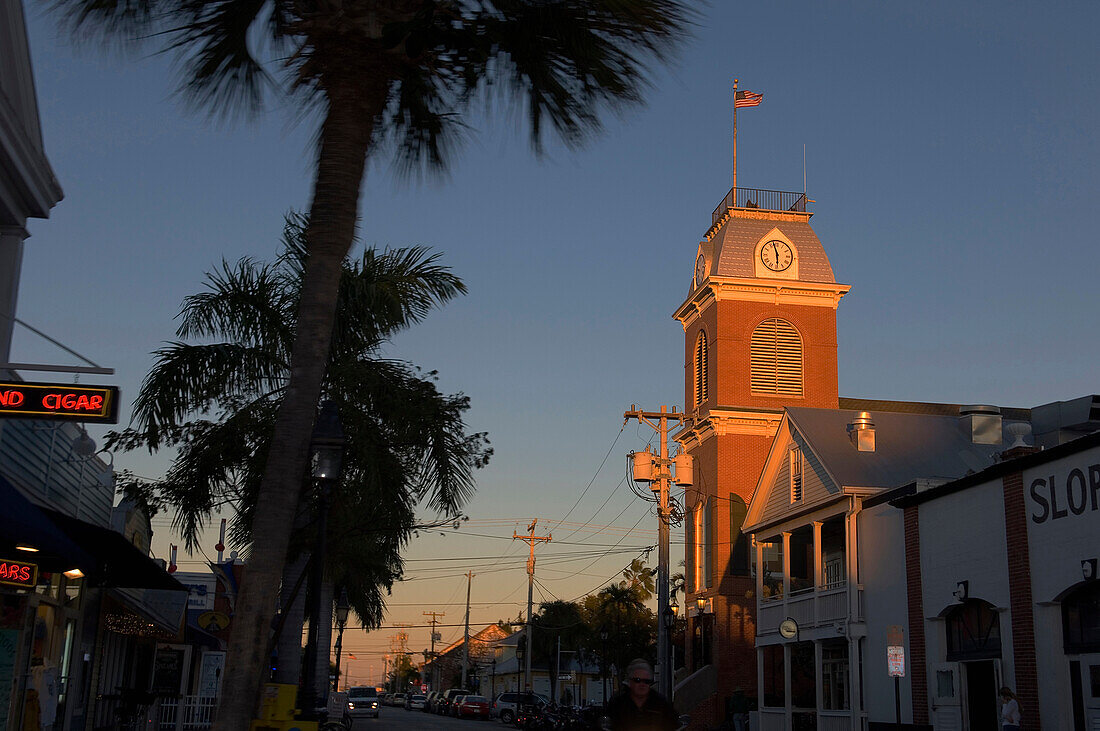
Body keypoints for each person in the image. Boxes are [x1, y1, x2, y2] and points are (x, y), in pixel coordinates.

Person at [606, 659, 679, 731]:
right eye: (637, 680)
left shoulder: (660, 702)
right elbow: (607, 724)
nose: (642, 684)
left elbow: (673, 723)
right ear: (630, 681)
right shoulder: (618, 702)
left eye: (646, 681)